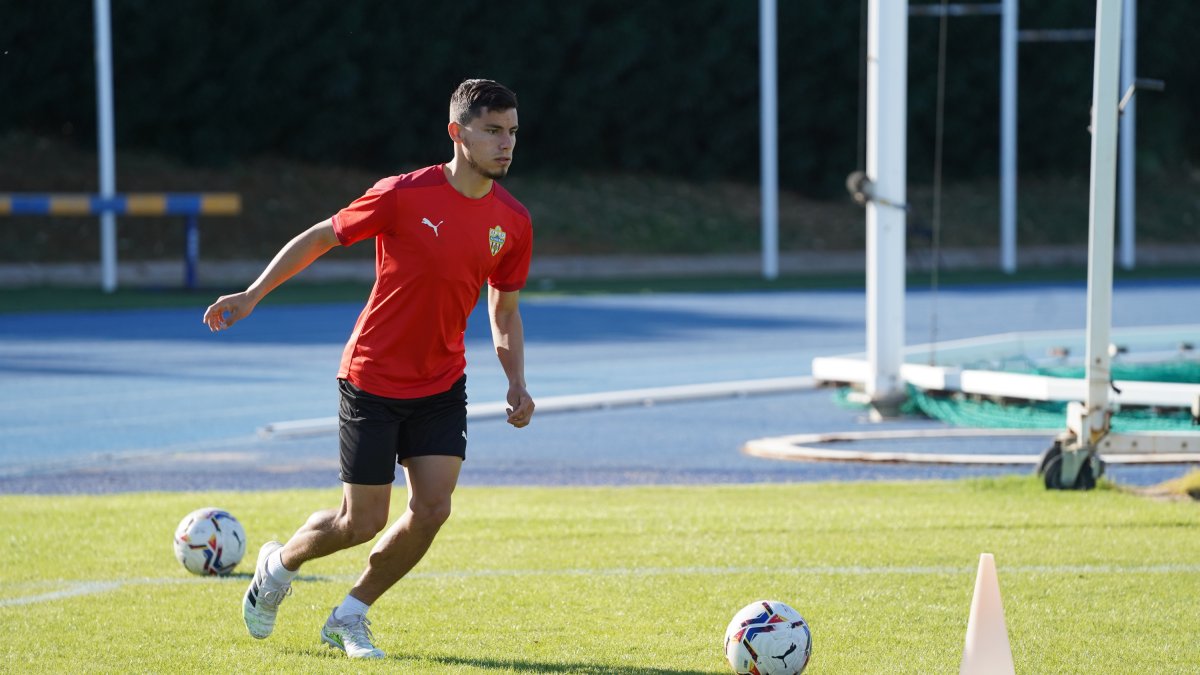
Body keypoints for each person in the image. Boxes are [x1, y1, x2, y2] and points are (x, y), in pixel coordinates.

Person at [202, 78, 535, 660]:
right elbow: (321, 237)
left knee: (433, 508)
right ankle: (280, 564)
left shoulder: (513, 220)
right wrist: (254, 294)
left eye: (511, 132)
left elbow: (503, 308)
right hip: (372, 377)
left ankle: (350, 615)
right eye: (492, 131)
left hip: (441, 381)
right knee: (361, 521)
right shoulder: (403, 194)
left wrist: (516, 382)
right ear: (458, 134)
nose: (505, 144)